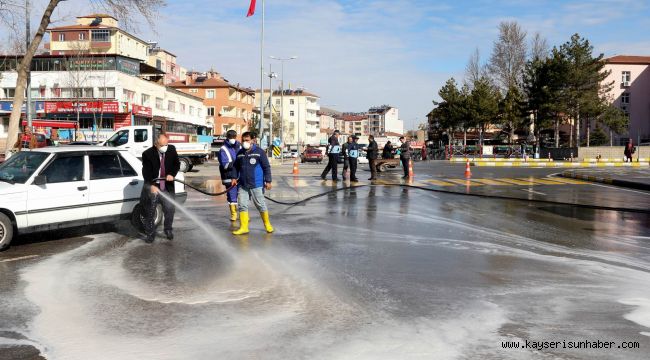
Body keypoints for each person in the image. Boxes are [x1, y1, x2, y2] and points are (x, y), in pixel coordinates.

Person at [141, 133, 180, 243]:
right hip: (154, 185)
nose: (165, 147)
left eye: (166, 144)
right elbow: (146, 172)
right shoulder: (148, 154)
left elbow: (176, 164)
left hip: (166, 186)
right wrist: (151, 185)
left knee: (170, 209)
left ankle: (168, 229)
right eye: (162, 145)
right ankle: (150, 234)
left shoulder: (171, 149)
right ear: (156, 144)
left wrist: (172, 174)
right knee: (150, 211)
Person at [232, 132, 273, 235]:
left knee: (260, 205)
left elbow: (266, 167)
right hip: (243, 184)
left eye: (247, 140)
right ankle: (244, 227)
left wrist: (268, 181)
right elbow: (235, 167)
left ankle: (267, 224)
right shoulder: (240, 153)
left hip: (256, 183)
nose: (245, 142)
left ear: (253, 140)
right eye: (243, 140)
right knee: (242, 205)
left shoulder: (259, 152)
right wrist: (233, 177)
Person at [218, 130, 241, 221]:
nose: (232, 139)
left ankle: (243, 213)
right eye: (231, 137)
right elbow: (225, 164)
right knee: (232, 195)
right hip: (229, 176)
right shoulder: (223, 149)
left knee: (243, 196)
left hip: (240, 176)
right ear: (227, 137)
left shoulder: (239, 146)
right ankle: (234, 214)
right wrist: (237, 163)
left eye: (234, 137)